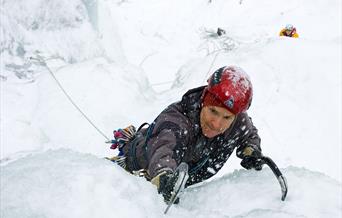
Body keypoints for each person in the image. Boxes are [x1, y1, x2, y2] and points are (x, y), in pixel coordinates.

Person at [108, 66, 263, 202]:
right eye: (213, 111)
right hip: (136, 166)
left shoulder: (238, 122)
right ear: (203, 100)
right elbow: (163, 149)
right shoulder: (176, 121)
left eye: (226, 117)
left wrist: (251, 150)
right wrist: (164, 176)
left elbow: (249, 134)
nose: (216, 123)